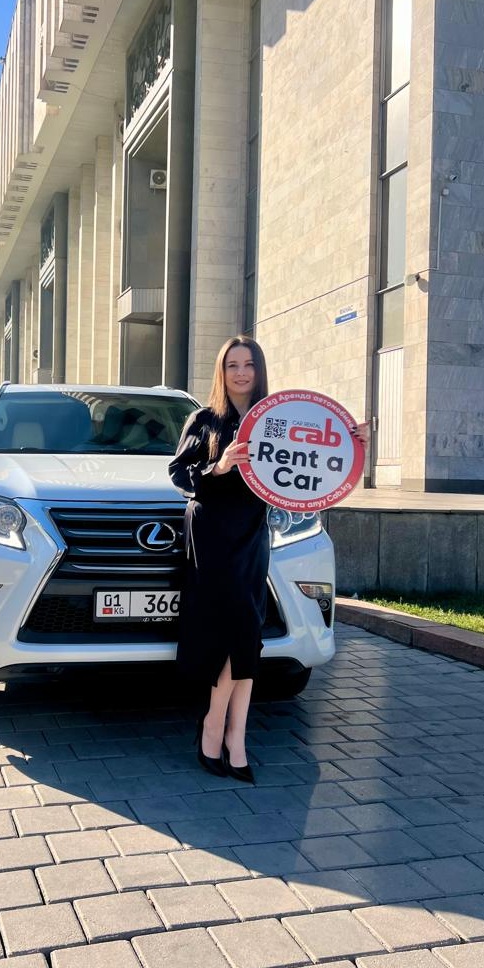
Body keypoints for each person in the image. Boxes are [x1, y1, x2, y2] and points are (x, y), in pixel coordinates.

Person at [169, 335, 367, 782]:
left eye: (249, 364)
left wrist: (351, 442)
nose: (241, 373)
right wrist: (218, 466)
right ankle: (218, 729)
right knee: (231, 631)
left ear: (259, 370)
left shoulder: (276, 420)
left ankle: (231, 733)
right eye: (232, 365)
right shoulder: (204, 419)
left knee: (248, 630)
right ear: (221, 372)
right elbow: (178, 473)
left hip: (253, 533)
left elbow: (314, 461)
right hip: (212, 530)